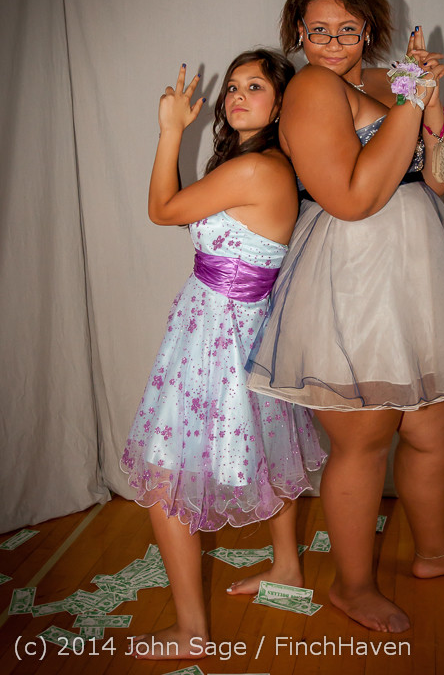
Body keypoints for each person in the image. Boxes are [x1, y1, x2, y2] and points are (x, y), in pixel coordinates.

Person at [247, 0, 444, 633]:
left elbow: (441, 179)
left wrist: (431, 103)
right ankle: (352, 586)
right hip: (353, 277)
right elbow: (350, 199)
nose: (332, 43)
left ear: (369, 29)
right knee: (366, 439)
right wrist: (409, 103)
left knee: (431, 428)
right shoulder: (311, 88)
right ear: (298, 32)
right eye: (318, 30)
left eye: (347, 29)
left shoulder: (385, 80)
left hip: (419, 268)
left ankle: (435, 553)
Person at [120, 49, 325, 659]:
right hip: (239, 327)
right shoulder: (268, 165)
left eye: (254, 86)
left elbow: (162, 210)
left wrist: (169, 131)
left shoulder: (256, 169)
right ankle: (287, 568)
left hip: (217, 333)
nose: (237, 95)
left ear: (281, 104)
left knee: (167, 475)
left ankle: (191, 632)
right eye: (233, 86)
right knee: (270, 448)